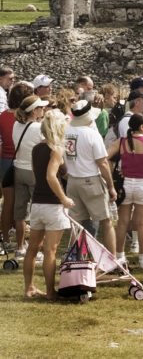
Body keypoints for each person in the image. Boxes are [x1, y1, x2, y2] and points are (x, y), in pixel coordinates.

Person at [23, 110, 75, 300]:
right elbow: (50, 176)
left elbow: (38, 176)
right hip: (53, 205)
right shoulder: (57, 149)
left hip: (37, 203)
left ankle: (29, 288)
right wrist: (64, 198)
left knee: (33, 248)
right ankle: (50, 291)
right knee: (50, 251)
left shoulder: (37, 148)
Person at [107, 113, 143, 270]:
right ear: (141, 126)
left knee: (123, 222)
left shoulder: (122, 141)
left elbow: (106, 156)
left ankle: (119, 256)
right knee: (142, 223)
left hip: (125, 184)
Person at [64, 100, 117, 255]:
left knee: (77, 223)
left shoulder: (67, 131)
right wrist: (111, 186)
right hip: (91, 179)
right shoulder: (92, 134)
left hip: (73, 180)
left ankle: (75, 258)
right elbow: (102, 163)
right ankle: (113, 260)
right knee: (106, 221)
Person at [11, 95, 48, 256]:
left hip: (18, 169)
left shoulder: (15, 125)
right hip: (34, 171)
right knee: (38, 211)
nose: (43, 110)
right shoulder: (38, 128)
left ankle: (20, 247)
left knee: (20, 212)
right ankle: (36, 248)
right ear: (34, 111)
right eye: (40, 108)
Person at [1, 81, 32, 248]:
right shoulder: (23, 118)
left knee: (7, 203)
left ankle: (5, 239)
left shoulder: (3, 116)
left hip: (5, 161)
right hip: (20, 160)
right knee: (20, 204)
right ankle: (20, 242)